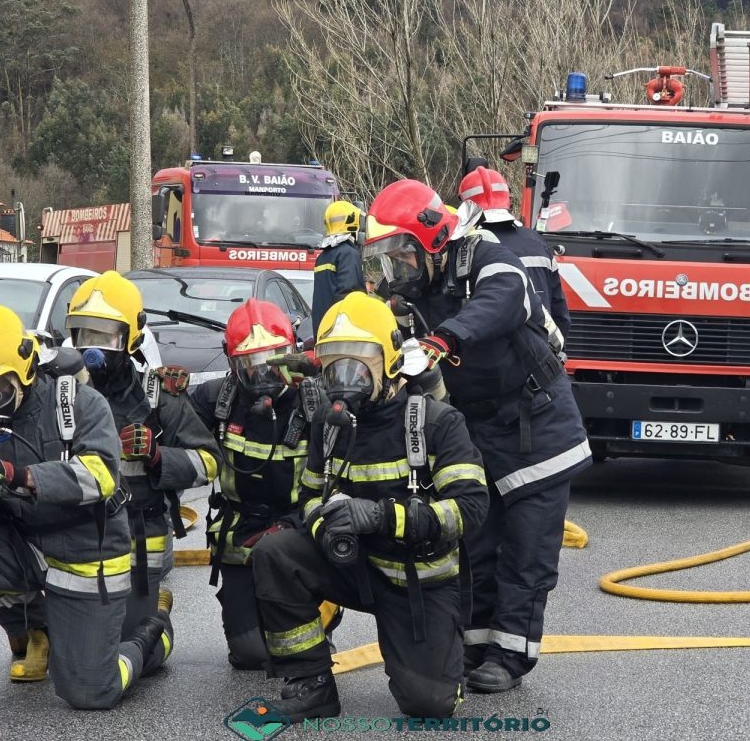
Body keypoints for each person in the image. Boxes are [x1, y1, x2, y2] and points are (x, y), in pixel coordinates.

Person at [362, 179, 591, 693]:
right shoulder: (418, 292)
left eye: (401, 253)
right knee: (476, 544)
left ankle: (511, 656)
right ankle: (474, 645)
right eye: (387, 257)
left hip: (539, 429)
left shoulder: (487, 255)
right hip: (481, 429)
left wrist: (445, 339)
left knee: (526, 551)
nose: (396, 267)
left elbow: (505, 297)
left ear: (432, 239)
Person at [0, 301, 167, 724]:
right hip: (25, 549)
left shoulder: (81, 405)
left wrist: (20, 476)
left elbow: (101, 477)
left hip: (87, 555)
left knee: (91, 690)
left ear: (23, 372)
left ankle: (151, 637)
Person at [251, 292, 488, 721]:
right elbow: (308, 497)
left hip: (417, 581)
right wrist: (325, 525)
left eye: (360, 360)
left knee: (429, 704)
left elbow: (469, 509)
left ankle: (436, 658)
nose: (346, 376)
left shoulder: (435, 422)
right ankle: (311, 684)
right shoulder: (328, 424)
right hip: (354, 564)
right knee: (276, 552)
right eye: (334, 362)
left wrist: (381, 517)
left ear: (391, 359)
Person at [66, 271, 220, 671]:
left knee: (140, 655)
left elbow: (209, 462)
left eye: (105, 336)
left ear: (131, 338)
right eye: (84, 334)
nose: (93, 349)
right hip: (77, 535)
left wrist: (156, 455)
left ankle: (157, 615)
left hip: (140, 537)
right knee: (77, 648)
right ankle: (34, 633)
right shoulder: (63, 396)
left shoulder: (157, 397)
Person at [184, 298, 315, 669]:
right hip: (240, 533)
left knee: (298, 645)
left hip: (298, 531)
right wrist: (167, 396)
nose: (264, 378)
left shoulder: (316, 404)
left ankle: (319, 610)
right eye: (250, 367)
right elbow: (173, 437)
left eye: (274, 363)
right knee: (251, 655)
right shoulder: (217, 400)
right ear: (232, 364)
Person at [457, 166, 572, 348]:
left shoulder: (468, 247)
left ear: (465, 206)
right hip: (541, 353)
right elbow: (560, 314)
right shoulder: (538, 242)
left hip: (495, 356)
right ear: (507, 198)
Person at [312, 200, 366, 323]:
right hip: (341, 328)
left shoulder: (323, 257)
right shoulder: (348, 254)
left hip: (323, 326)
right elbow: (349, 295)